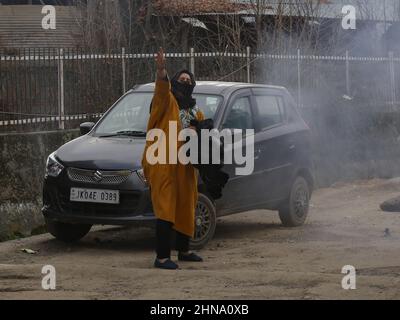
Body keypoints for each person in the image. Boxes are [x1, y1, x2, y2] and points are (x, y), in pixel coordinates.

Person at [142, 48, 205, 270]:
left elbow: (202, 133)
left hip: (185, 166)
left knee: (186, 206)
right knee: (166, 208)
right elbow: (161, 88)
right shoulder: (167, 100)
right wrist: (161, 70)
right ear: (174, 81)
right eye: (181, 79)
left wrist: (200, 131)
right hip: (163, 162)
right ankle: (161, 257)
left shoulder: (195, 110)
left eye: (189, 80)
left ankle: (184, 250)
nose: (185, 82)